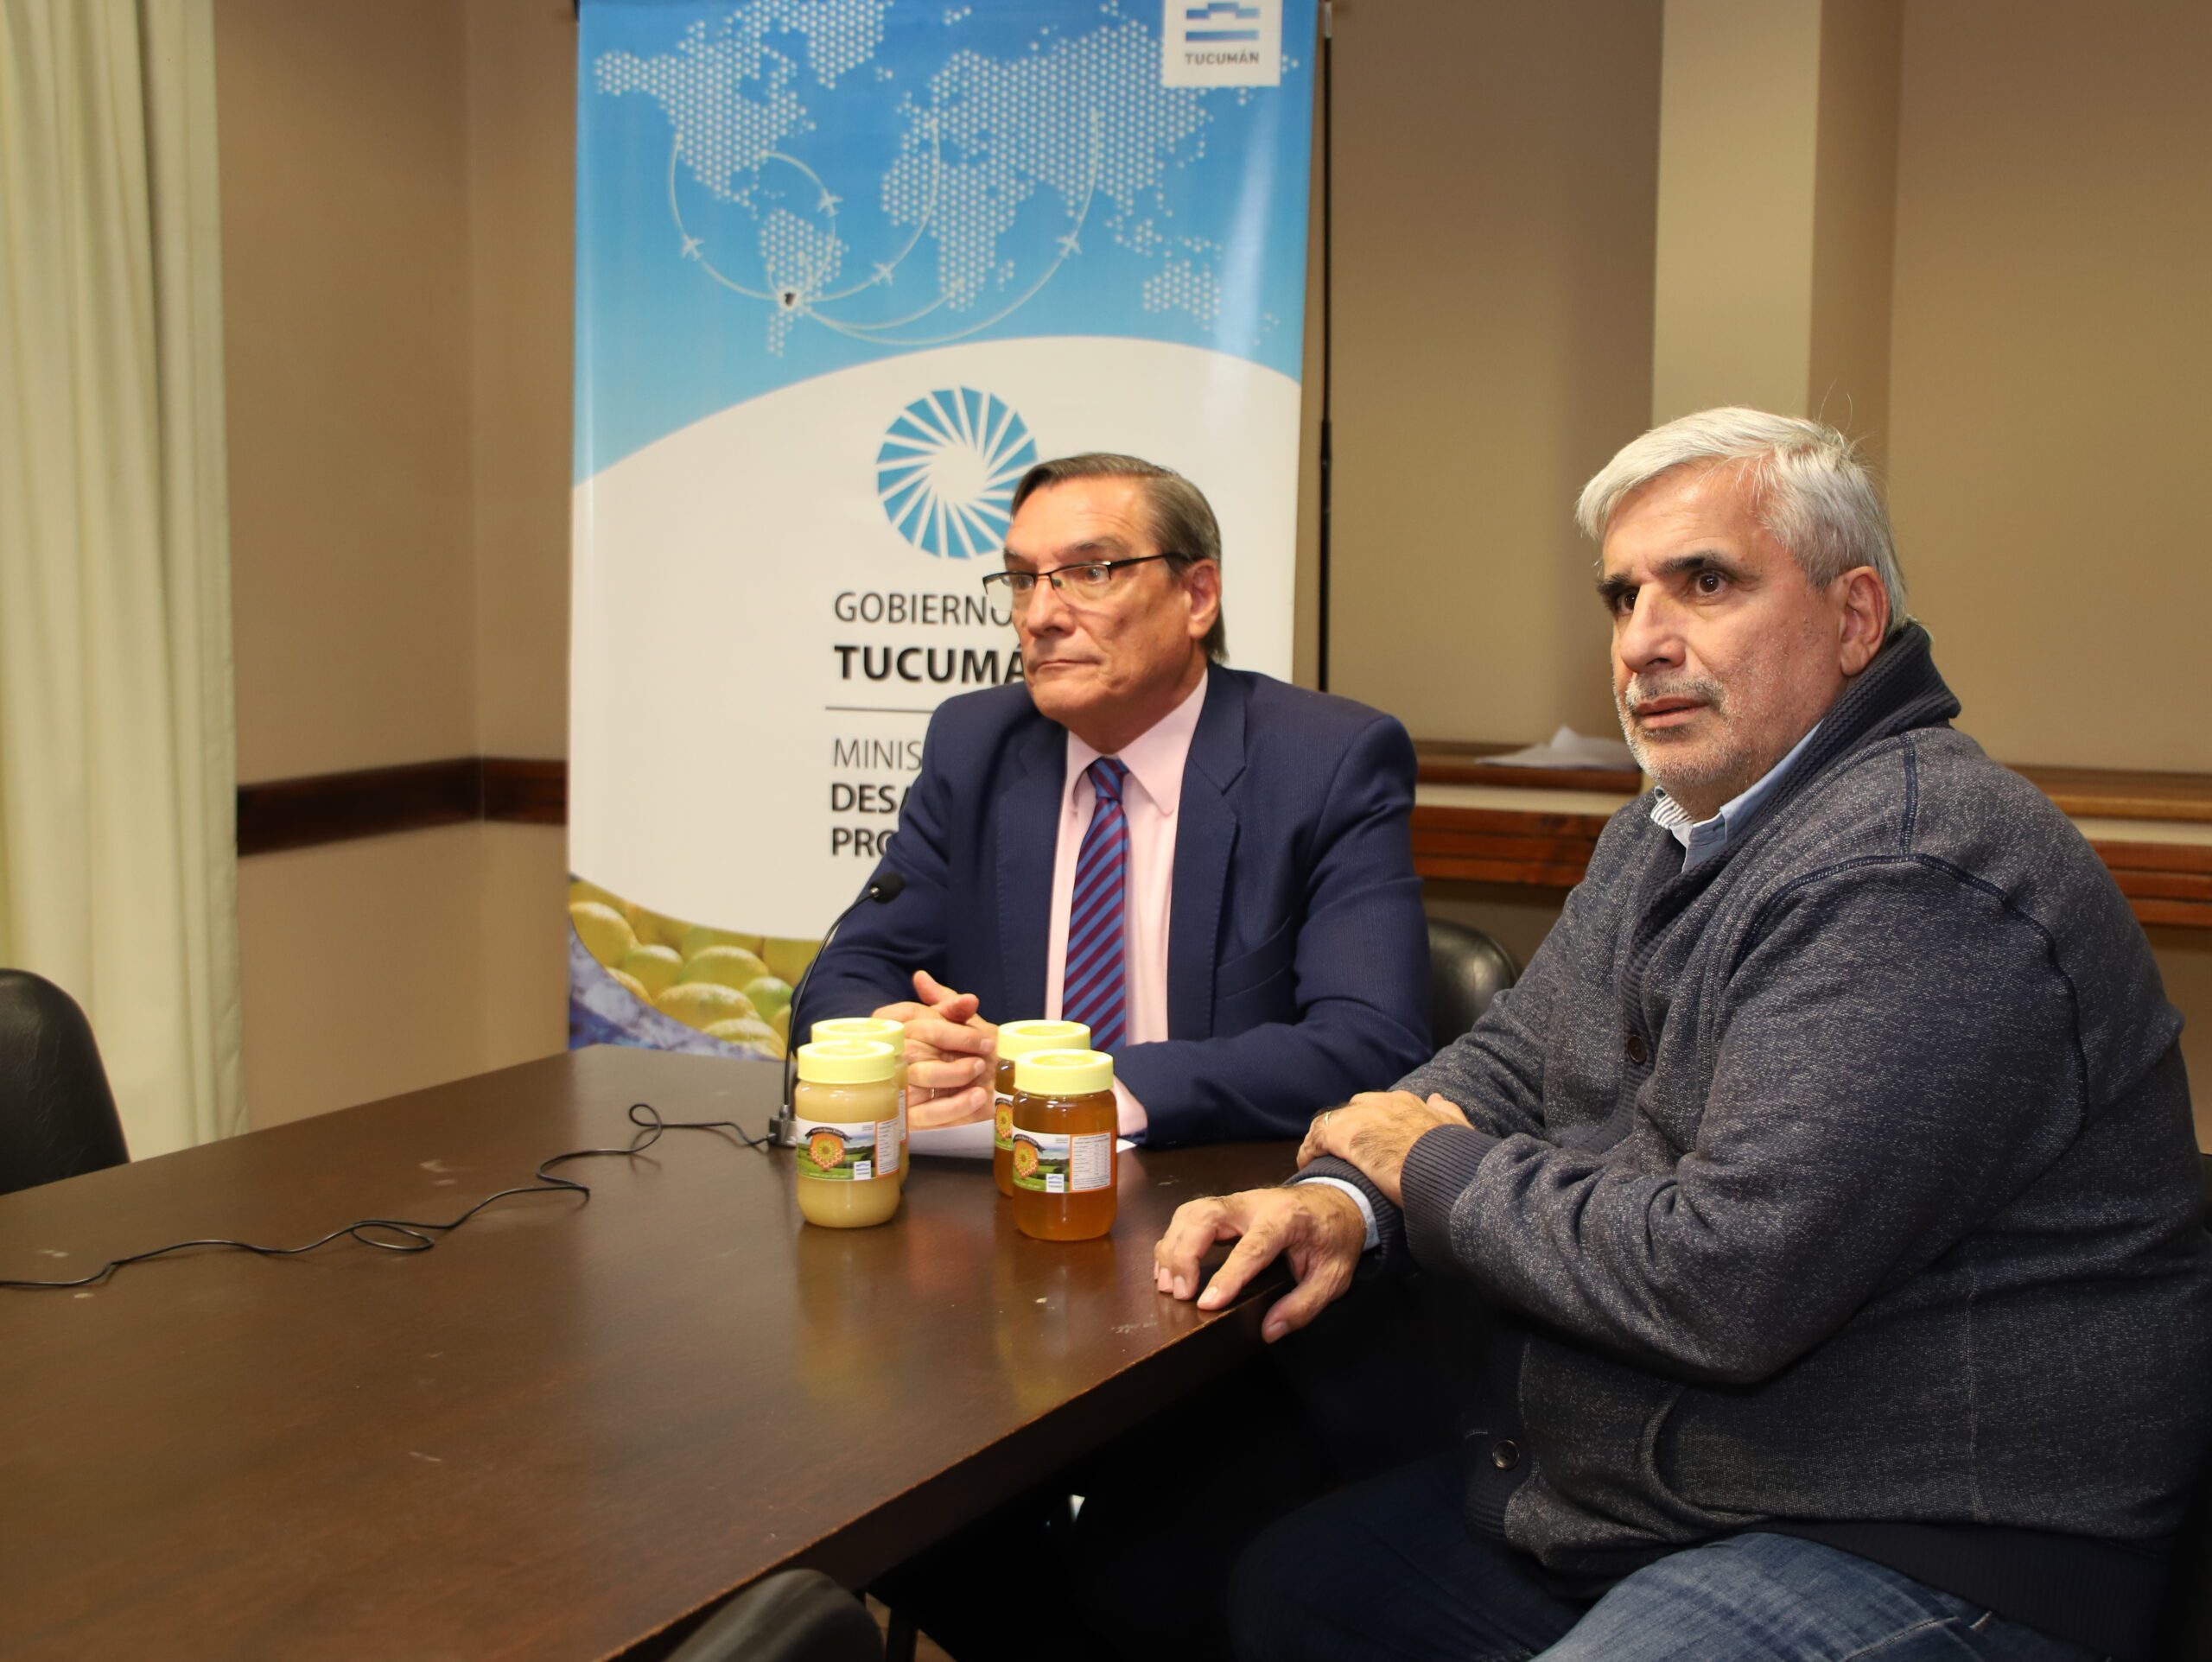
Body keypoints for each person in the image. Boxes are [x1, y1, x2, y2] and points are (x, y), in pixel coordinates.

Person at [1156, 409, 2212, 1662]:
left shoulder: (1914, 864)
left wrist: (1421, 1165)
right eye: (1623, 597)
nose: (1643, 641)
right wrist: (1344, 1200)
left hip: (1924, 1535)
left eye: (1705, 584)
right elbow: (1512, 1062)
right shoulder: (1666, 827)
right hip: (1681, 1489)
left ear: (1854, 618)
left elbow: (1723, 1282)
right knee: (1294, 1589)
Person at [797, 452, 1431, 1144]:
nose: (1041, 616)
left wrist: (1079, 1090)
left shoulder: (1325, 761)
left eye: (1091, 573)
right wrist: (893, 1041)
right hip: (999, 1178)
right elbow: (847, 973)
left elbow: (1373, 1041)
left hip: (1217, 1183)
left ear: (1197, 596)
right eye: (1022, 580)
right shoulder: (974, 746)